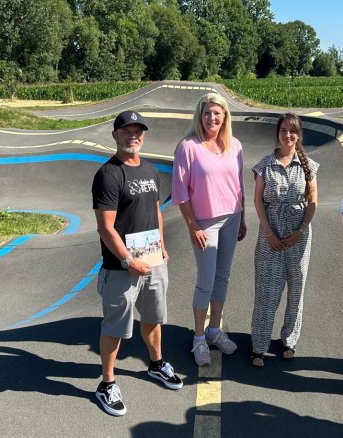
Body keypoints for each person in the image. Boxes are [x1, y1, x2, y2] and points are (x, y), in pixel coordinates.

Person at [91, 110, 183, 417]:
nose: (133, 136)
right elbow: (106, 227)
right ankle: (106, 384)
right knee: (115, 326)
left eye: (138, 131)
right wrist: (127, 260)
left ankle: (156, 364)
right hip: (121, 267)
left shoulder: (150, 171)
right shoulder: (109, 174)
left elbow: (156, 212)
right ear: (115, 135)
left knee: (153, 317)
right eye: (126, 131)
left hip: (152, 259)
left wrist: (162, 246)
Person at [172, 93, 247, 366]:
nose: (211, 118)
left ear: (225, 116)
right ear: (200, 115)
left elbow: (239, 185)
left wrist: (243, 218)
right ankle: (199, 337)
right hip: (205, 223)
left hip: (232, 218)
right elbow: (180, 192)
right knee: (206, 279)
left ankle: (214, 330)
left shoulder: (235, 145)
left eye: (217, 113)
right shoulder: (188, 147)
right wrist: (193, 226)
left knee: (223, 276)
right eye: (207, 113)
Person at [249, 113, 319, 368]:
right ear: (277, 134)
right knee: (266, 291)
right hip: (271, 238)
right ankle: (259, 345)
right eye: (283, 130)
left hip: (299, 238)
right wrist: (268, 233)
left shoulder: (308, 166)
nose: (287, 135)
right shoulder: (265, 165)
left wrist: (301, 229)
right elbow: (258, 201)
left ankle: (289, 340)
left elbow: (313, 199)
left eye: (292, 131)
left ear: (298, 135)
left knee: (296, 291)